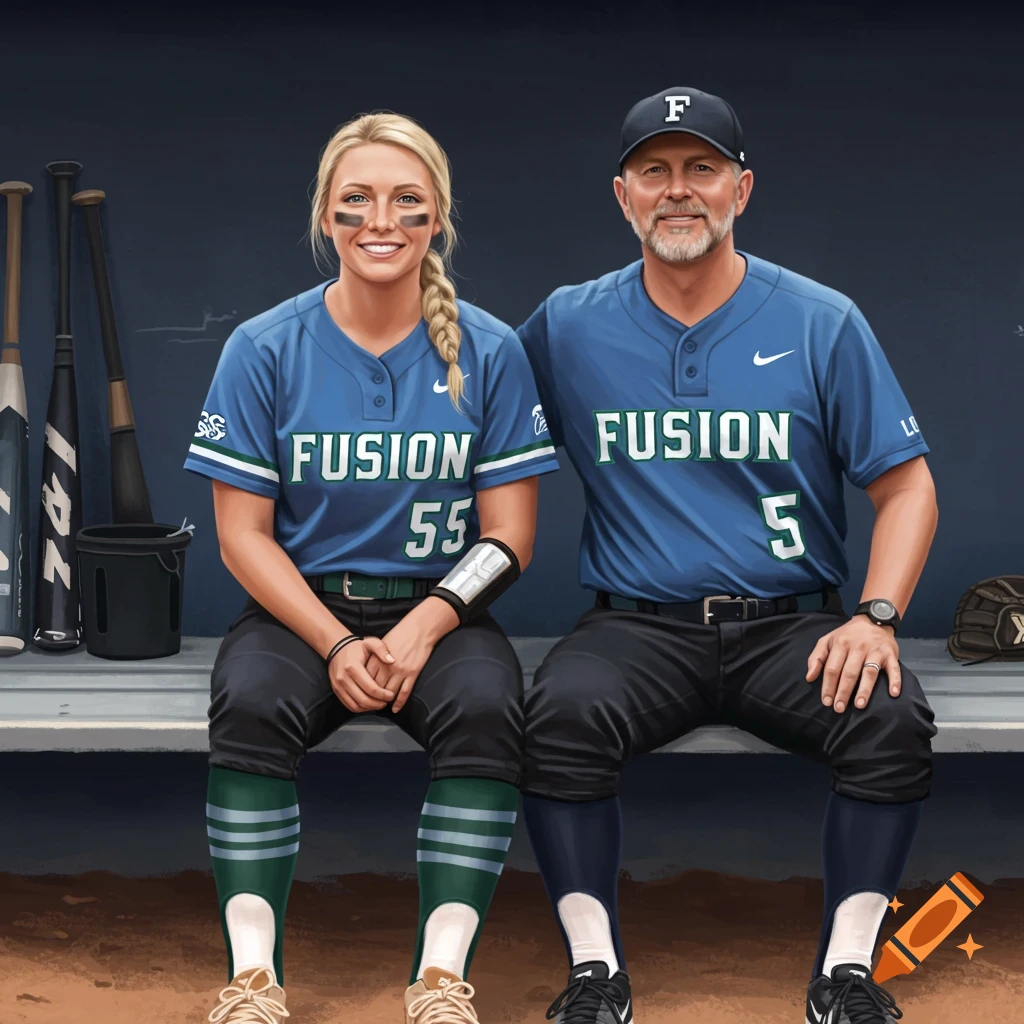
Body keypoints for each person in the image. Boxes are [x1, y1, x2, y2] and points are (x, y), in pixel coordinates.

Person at [515, 86, 938, 1024]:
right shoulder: (568, 323)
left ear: (741, 189)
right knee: (558, 716)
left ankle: (847, 974)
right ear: (621, 196)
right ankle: (594, 975)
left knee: (890, 720)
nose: (679, 191)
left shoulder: (821, 319)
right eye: (654, 171)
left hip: (793, 623)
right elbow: (473, 424)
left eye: (701, 168)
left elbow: (906, 486)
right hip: (636, 626)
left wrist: (874, 618)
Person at [184, 111, 559, 1024]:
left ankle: (438, 979)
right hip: (301, 610)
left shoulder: (490, 348)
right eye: (354, 201)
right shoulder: (265, 347)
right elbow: (242, 539)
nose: (379, 221)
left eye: (406, 201)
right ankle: (253, 977)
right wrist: (339, 640)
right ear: (325, 216)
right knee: (250, 702)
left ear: (437, 220)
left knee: (484, 706)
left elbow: (510, 534)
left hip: (440, 612)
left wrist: (424, 626)